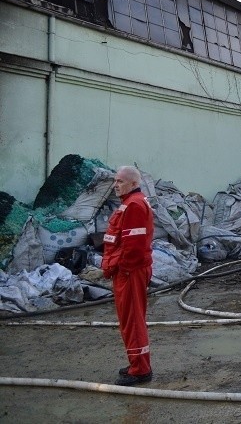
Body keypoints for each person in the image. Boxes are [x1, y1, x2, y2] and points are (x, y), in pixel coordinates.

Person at [102, 165, 155, 386]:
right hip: (127, 271)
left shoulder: (133, 205)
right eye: (115, 181)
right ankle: (136, 363)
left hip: (129, 272)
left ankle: (141, 369)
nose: (116, 185)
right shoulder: (130, 203)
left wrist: (120, 267)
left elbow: (133, 247)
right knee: (130, 320)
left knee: (132, 320)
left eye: (120, 181)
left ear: (134, 184)